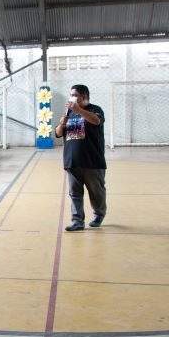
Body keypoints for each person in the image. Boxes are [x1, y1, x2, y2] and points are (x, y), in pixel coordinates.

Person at [54, 84, 107, 232]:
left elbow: (96, 121)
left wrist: (79, 110)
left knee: (96, 192)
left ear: (83, 96)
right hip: (72, 161)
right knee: (75, 193)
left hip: (92, 161)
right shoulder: (69, 112)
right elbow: (58, 133)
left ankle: (99, 214)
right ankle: (77, 220)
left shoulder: (95, 110)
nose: (71, 97)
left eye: (74, 95)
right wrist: (62, 124)